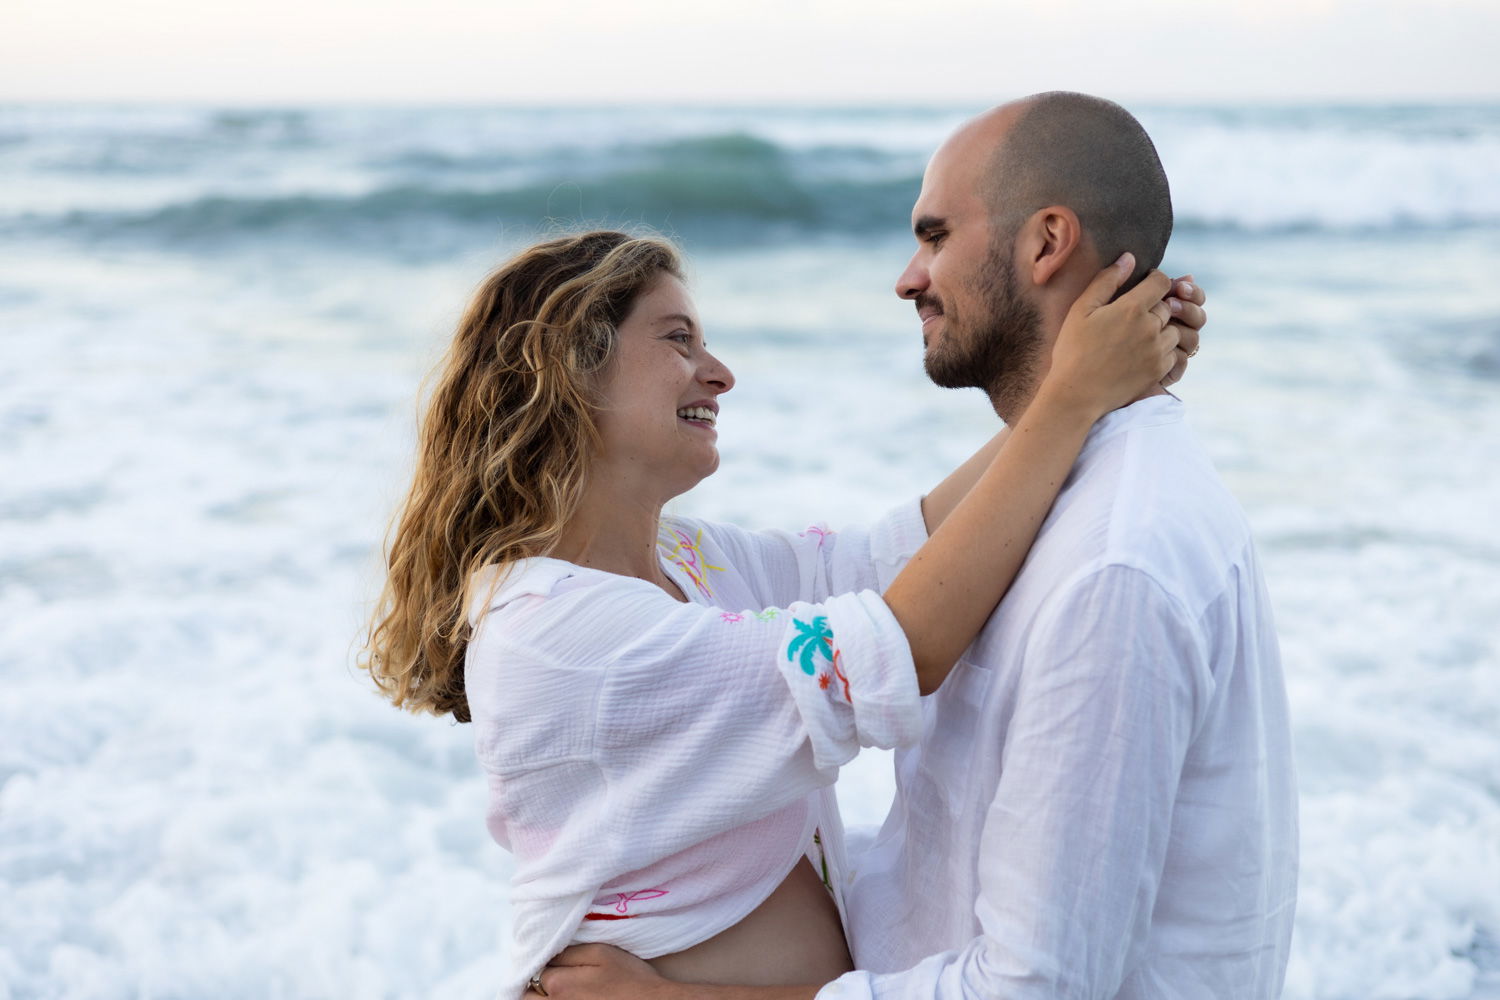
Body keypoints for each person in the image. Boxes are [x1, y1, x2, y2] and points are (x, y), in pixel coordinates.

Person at [540, 93, 1297, 1000]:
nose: (908, 279)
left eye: (935, 236)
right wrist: (1076, 397)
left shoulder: (1113, 566)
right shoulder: (1056, 496)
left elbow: (1032, 991)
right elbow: (867, 572)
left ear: (1047, 243)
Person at [360, 221, 1202, 998]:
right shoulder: (556, 633)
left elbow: (889, 558)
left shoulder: (685, 564)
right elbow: (903, 646)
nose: (719, 372)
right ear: (571, 370)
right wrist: (1071, 400)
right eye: (677, 339)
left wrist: (1094, 381)